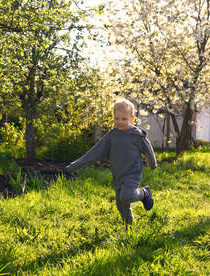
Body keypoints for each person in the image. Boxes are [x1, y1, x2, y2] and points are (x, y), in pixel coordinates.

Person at [65, 98, 157, 231]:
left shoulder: (136, 135)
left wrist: (152, 164)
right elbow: (94, 152)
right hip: (118, 174)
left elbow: (148, 150)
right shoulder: (111, 136)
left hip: (133, 173)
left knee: (127, 195)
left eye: (124, 119)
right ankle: (128, 228)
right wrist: (74, 166)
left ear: (132, 118)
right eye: (117, 118)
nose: (120, 122)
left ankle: (144, 193)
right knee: (121, 205)